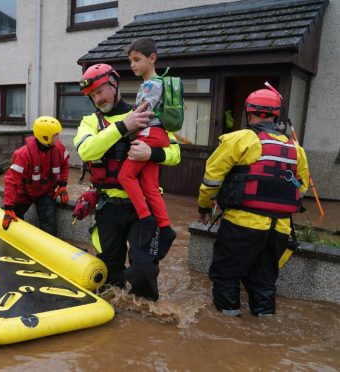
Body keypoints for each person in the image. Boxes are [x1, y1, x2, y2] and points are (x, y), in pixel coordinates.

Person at [198, 86, 309, 316]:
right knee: (263, 282)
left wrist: (204, 207)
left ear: (249, 114)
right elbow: (301, 188)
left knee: (226, 275)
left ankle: (227, 327)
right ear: (275, 115)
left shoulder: (239, 139)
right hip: (280, 228)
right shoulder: (296, 149)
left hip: (241, 224)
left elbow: (211, 179)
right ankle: (264, 322)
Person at [74, 63, 181, 300]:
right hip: (108, 207)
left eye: (101, 91)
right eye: (92, 95)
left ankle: (146, 314)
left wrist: (151, 154)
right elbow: (86, 151)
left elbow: (175, 154)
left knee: (144, 268)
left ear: (114, 84)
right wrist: (125, 126)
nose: (98, 98)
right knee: (110, 272)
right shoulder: (90, 122)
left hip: (142, 207)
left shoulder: (146, 111)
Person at [118, 37, 176, 258]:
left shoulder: (152, 84)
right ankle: (166, 228)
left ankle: (146, 219)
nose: (132, 65)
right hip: (158, 135)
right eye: (130, 60)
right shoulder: (151, 83)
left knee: (126, 176)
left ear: (152, 58)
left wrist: (126, 127)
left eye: (136, 59)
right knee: (150, 185)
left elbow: (144, 111)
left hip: (150, 134)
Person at [2, 116, 70, 236]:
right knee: (12, 221)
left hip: (46, 192)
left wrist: (63, 185)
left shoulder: (58, 148)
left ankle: (48, 247)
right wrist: (8, 207)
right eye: (56, 135)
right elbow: (11, 181)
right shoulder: (23, 154)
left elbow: (64, 164)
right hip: (24, 192)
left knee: (49, 226)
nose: (58, 137)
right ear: (46, 137)